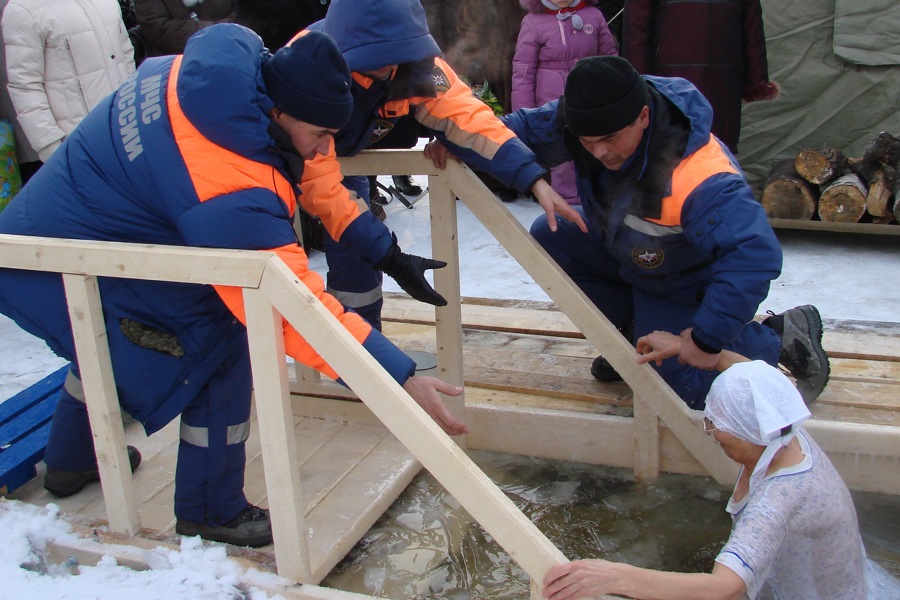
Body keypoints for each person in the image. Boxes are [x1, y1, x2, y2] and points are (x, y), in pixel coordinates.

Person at [0, 23, 467, 548]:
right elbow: (292, 307)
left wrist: (387, 253)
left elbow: (314, 176)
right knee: (221, 338)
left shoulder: (219, 83)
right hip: (55, 257)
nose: (322, 151)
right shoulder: (231, 182)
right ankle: (210, 510)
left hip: (61, 230)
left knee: (106, 340)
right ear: (278, 114)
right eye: (320, 136)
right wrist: (397, 375)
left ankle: (70, 462)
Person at [494, 56, 831, 407]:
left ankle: (778, 339)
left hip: (688, 285)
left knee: (677, 394)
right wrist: (456, 140)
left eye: (609, 139)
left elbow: (753, 257)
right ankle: (631, 337)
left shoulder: (702, 177)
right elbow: (504, 132)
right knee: (553, 234)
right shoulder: (592, 117)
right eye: (586, 141)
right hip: (633, 253)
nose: (599, 152)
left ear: (643, 116)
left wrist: (704, 341)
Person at [298, 0, 585, 331]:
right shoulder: (309, 67)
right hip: (294, 165)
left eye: (399, 57)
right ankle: (347, 355)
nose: (393, 68)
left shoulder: (415, 63)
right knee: (303, 261)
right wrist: (389, 256)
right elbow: (316, 174)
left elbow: (469, 120)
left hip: (349, 160)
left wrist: (534, 180)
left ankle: (366, 354)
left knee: (358, 262)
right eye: (378, 63)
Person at [542, 331, 868, 600]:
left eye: (719, 428)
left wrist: (612, 576)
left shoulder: (776, 501)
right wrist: (686, 348)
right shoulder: (781, 424)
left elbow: (723, 588)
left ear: (751, 431)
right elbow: (751, 374)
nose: (711, 432)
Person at [621, 0, 778, 154]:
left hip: (722, 80)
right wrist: (637, 83)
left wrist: (756, 79)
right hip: (671, 82)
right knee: (672, 153)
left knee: (716, 153)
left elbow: (752, 24)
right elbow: (636, 28)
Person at [1, 0, 135, 164]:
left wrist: (133, 114)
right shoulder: (23, 10)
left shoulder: (107, 3)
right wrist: (50, 148)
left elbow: (126, 57)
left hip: (125, 134)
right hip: (76, 145)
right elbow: (25, 86)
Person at [512, 0, 618, 205]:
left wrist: (614, 91)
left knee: (594, 144)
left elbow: (610, 59)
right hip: (550, 99)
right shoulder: (533, 22)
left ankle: (597, 198)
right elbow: (523, 72)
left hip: (589, 96)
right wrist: (523, 113)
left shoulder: (593, 16)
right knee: (561, 151)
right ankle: (566, 203)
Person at [135, 0, 237, 57]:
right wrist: (212, 31)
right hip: (180, 67)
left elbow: (245, 11)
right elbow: (156, 27)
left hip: (231, 55)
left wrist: (224, 29)